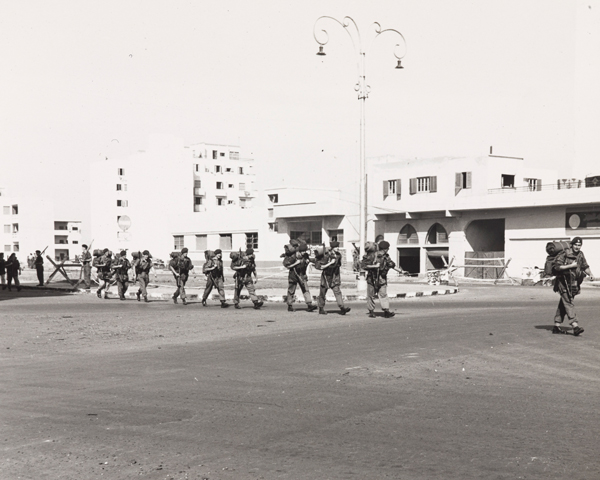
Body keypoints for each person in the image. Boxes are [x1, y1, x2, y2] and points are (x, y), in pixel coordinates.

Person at [552, 236, 594, 336]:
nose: (577, 247)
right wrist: (570, 266)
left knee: (564, 303)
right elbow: (557, 267)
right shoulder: (565, 253)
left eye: (579, 245)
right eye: (575, 245)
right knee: (569, 302)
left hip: (574, 283)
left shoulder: (580, 254)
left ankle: (556, 325)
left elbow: (585, 266)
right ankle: (575, 325)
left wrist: (591, 274)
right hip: (563, 282)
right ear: (572, 244)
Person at [362, 240, 404, 318]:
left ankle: (386, 311)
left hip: (382, 279)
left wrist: (402, 271)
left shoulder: (386, 257)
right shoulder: (372, 255)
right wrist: (374, 266)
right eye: (387, 248)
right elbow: (364, 266)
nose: (388, 250)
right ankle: (371, 311)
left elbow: (392, 265)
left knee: (383, 295)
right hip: (372, 279)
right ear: (385, 249)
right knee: (370, 295)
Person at [314, 241, 351, 315]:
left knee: (337, 292)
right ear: (332, 248)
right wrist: (330, 262)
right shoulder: (326, 255)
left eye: (338, 247)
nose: (338, 248)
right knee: (322, 293)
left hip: (334, 277)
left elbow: (338, 265)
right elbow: (321, 266)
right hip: (326, 277)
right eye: (336, 247)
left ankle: (342, 307)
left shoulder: (338, 255)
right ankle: (321, 308)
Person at [283, 243, 318, 312]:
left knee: (305, 290)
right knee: (291, 291)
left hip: (302, 275)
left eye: (305, 251)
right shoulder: (293, 256)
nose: (304, 252)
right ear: (299, 251)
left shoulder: (305, 256)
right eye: (303, 251)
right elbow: (287, 266)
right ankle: (289, 305)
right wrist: (296, 263)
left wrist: (310, 261)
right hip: (293, 275)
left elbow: (309, 260)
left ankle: (309, 304)